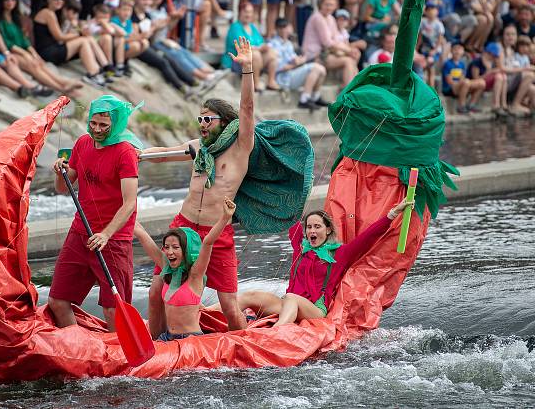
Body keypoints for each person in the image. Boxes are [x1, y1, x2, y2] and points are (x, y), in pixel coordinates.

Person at [140, 37, 256, 335]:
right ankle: (157, 346)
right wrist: (135, 154)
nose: (202, 124)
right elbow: (163, 157)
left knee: (229, 302)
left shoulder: (241, 147)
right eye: (200, 119)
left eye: (208, 119)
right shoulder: (197, 147)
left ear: (223, 122)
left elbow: (247, 110)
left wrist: (247, 71)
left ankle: (244, 346)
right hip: (184, 226)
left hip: (216, 232)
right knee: (156, 292)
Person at [224, 199, 413, 326]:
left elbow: (369, 237)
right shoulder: (300, 247)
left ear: (328, 230)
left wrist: (392, 214)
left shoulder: (341, 253)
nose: (311, 230)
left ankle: (278, 331)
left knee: (291, 298)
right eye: (309, 227)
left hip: (315, 309)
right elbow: (289, 217)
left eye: (317, 226)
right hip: (287, 305)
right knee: (251, 294)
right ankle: (207, 313)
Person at [48, 95, 142, 330]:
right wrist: (60, 172)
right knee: (57, 301)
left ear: (116, 124)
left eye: (103, 125)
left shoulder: (125, 152)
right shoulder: (82, 143)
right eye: (93, 123)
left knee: (113, 310)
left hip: (113, 239)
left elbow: (130, 203)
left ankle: (117, 359)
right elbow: (62, 188)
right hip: (80, 232)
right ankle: (78, 350)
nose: (97, 130)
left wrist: (106, 234)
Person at [134, 198, 236, 341]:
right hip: (167, 337)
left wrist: (225, 217)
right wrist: (124, 209)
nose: (169, 252)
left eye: (175, 247)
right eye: (166, 247)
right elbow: (142, 235)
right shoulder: (167, 269)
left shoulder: (195, 275)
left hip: (191, 339)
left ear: (186, 250)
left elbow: (208, 242)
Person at [0, 0, 83, 95]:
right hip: (11, 52)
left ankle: (64, 83)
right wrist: (26, 54)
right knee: (33, 65)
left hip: (22, 50)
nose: (10, 1)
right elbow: (6, 42)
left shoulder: (16, 18)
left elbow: (24, 40)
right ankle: (61, 88)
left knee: (38, 62)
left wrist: (34, 53)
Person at [32, 0, 107, 87]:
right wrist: (79, 34)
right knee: (83, 41)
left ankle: (99, 69)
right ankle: (94, 73)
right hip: (47, 52)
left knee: (85, 39)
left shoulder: (54, 13)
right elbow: (59, 37)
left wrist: (78, 30)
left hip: (53, 49)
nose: (60, 1)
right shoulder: (48, 13)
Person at [301, 0, 360, 88]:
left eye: (331, 5)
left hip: (325, 53)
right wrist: (348, 50)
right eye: (326, 4)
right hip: (314, 55)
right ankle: (347, 93)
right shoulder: (318, 18)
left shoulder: (331, 18)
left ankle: (352, 90)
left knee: (353, 57)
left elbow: (336, 39)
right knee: (348, 61)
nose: (329, 7)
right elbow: (327, 43)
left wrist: (349, 50)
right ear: (321, 4)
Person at [269, 18, 328, 109]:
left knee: (322, 69)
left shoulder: (288, 43)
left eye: (285, 27)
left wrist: (299, 60)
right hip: (283, 79)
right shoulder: (273, 44)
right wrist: (296, 64)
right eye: (281, 27)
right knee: (316, 68)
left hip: (291, 74)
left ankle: (315, 96)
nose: (284, 30)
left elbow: (293, 59)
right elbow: (278, 67)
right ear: (277, 29)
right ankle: (304, 99)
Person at [222, 2, 275, 91]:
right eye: (246, 12)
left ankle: (271, 81)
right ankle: (255, 84)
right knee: (254, 54)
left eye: (250, 12)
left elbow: (261, 42)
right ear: (240, 12)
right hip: (236, 61)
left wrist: (264, 47)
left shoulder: (252, 27)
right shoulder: (235, 27)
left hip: (254, 61)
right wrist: (259, 48)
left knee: (271, 53)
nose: (248, 14)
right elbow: (242, 48)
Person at [442, 42, 484, 114]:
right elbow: (449, 81)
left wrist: (465, 83)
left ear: (463, 51)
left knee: (482, 83)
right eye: (455, 49)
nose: (457, 51)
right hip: (449, 88)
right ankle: (461, 106)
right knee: (466, 82)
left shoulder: (462, 64)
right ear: (451, 51)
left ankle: (471, 105)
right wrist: (463, 83)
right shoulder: (447, 63)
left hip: (462, 86)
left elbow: (462, 77)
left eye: (460, 49)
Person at [469, 42, 509, 117]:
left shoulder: (491, 62)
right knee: (499, 77)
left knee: (503, 76)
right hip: (477, 84)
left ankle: (503, 104)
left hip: (486, 83)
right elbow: (476, 79)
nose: (493, 57)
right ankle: (496, 105)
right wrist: (489, 72)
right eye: (492, 55)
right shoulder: (477, 61)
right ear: (487, 53)